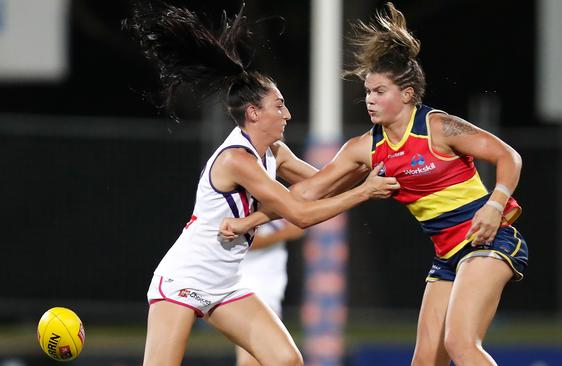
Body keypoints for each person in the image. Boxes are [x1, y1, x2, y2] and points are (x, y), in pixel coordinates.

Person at [220, 3, 528, 366]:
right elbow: (308, 192)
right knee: (425, 361)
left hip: (488, 240)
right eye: (367, 91)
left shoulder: (439, 128)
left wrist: (495, 204)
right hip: (447, 256)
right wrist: (248, 221)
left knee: (461, 343)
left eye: (380, 91)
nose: (370, 99)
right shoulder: (366, 148)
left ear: (408, 94)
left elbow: (509, 157)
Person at [125, 4, 399, 366]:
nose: (286, 114)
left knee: (287, 360)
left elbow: (320, 184)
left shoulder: (275, 151)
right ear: (254, 113)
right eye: (279, 105)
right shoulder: (237, 160)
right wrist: (364, 191)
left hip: (225, 284)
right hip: (182, 280)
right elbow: (300, 213)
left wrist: (368, 162)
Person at [235, 220, 304, 366]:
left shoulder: (279, 202)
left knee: (270, 357)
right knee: (253, 357)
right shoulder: (245, 203)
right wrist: (284, 233)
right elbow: (239, 242)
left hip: (269, 285)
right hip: (250, 284)